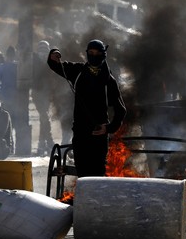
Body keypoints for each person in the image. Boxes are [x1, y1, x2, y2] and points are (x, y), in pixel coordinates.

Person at [47, 40, 127, 177]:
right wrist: (53, 53)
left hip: (99, 137)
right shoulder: (77, 71)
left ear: (103, 55)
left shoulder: (109, 81)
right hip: (80, 133)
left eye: (97, 53)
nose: (94, 56)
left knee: (97, 175)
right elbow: (55, 64)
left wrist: (108, 128)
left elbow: (121, 110)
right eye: (91, 53)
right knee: (83, 173)